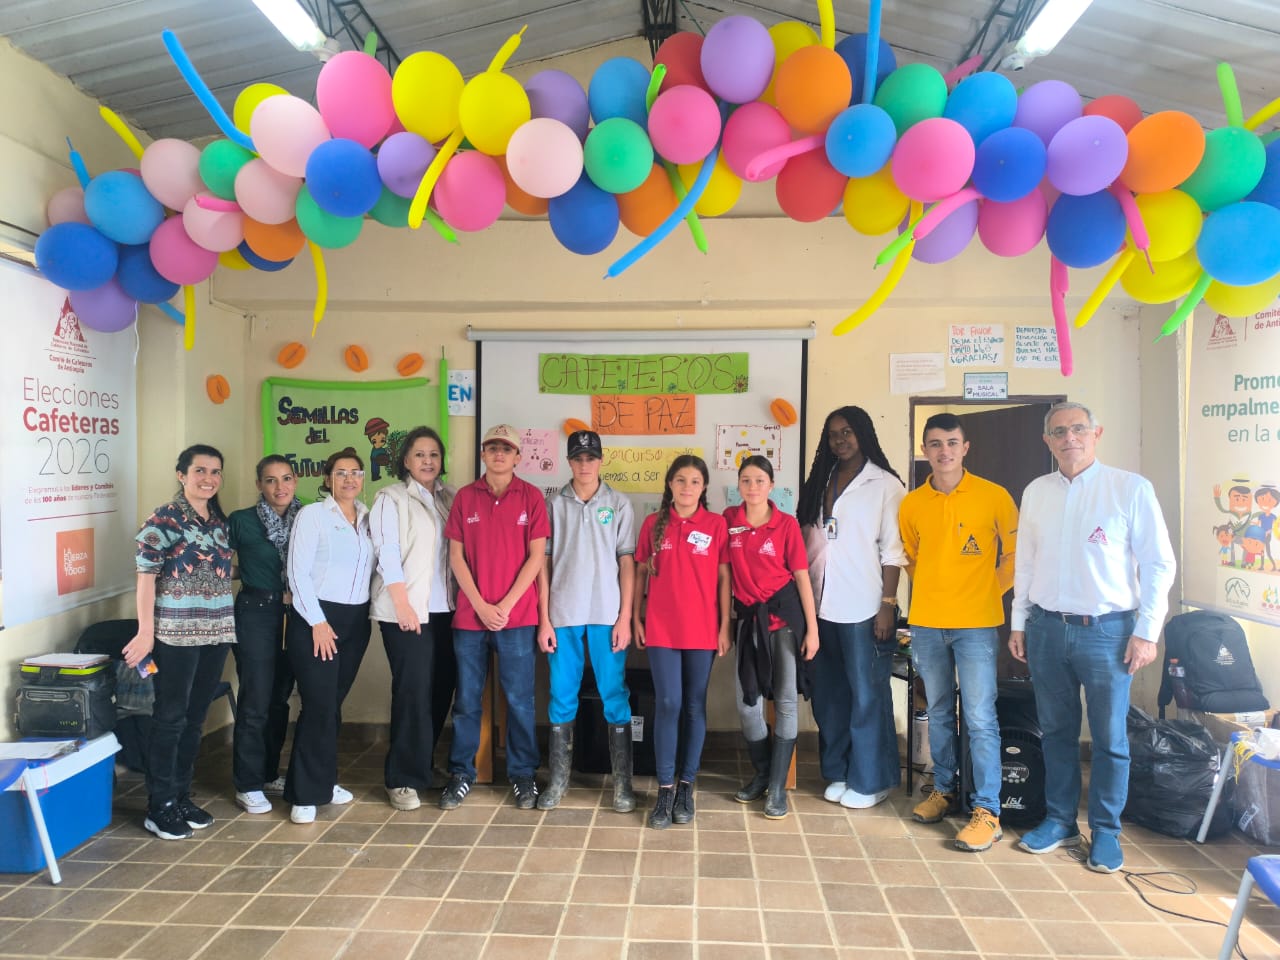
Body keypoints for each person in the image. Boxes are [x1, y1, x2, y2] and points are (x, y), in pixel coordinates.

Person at [1009, 401, 1175, 873]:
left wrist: (1147, 632)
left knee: (1109, 738)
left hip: (1109, 633)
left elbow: (1159, 563)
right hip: (1046, 629)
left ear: (1096, 434)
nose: (1070, 438)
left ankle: (1105, 831)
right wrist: (1019, 621)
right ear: (1047, 440)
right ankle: (1060, 820)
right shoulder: (1037, 491)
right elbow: (1026, 561)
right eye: (1059, 431)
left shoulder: (1129, 488)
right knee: (1056, 733)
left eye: (1078, 429)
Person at [898, 413, 1019, 852]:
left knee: (981, 716)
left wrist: (985, 590)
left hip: (977, 625)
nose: (944, 451)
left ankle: (988, 810)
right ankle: (944, 790)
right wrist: (937, 591)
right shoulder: (912, 504)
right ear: (924, 450)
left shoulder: (994, 496)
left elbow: (1016, 555)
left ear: (965, 448)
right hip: (927, 623)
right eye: (935, 443)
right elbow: (911, 557)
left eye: (952, 442)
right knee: (938, 711)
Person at [797, 406, 907, 809]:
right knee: (830, 697)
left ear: (863, 433)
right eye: (833, 434)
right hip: (820, 606)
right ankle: (841, 772)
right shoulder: (820, 480)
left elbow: (893, 552)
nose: (840, 440)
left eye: (847, 432)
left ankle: (872, 780)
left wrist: (887, 605)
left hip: (864, 607)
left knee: (867, 696)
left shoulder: (886, 484)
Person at [124, 444, 236, 840]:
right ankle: (160, 806)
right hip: (175, 635)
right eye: (200, 470)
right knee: (170, 718)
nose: (208, 478)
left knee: (195, 717)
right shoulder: (165, 518)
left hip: (216, 632)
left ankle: (182, 796)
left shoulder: (219, 522)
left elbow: (220, 570)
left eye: (215, 471)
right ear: (181, 475)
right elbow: (145, 579)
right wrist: (145, 632)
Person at [441, 424, 549, 811]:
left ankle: (523, 774)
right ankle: (461, 773)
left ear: (518, 457)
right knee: (468, 700)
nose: (499, 454)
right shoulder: (465, 497)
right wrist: (482, 606)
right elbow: (456, 557)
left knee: (520, 700)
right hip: (471, 617)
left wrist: (505, 605)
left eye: (506, 448)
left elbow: (536, 557)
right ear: (483, 454)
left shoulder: (532, 497)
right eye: (492, 447)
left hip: (517, 618)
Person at [536, 430, 638, 812]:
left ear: (601, 460)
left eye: (590, 457)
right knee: (561, 695)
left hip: (607, 614)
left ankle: (623, 785)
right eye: (578, 458)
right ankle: (558, 780)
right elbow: (543, 563)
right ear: (569, 461)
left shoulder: (619, 503)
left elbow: (627, 562)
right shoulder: (553, 504)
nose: (584, 464)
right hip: (563, 613)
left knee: (614, 693)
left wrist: (625, 617)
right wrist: (544, 619)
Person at [633, 454, 730, 829]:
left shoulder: (716, 524)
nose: (687, 487)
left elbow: (724, 579)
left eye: (694, 481)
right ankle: (665, 788)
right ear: (669, 485)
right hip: (662, 629)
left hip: (702, 630)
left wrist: (724, 626)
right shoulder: (652, 524)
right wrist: (636, 617)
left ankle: (687, 786)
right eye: (680, 480)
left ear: (704, 487)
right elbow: (640, 573)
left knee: (693, 705)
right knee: (668, 703)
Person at [724, 456, 819, 820]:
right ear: (739, 484)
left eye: (760, 480)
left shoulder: (786, 524)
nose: (753, 487)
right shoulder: (728, 520)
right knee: (747, 703)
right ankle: (762, 773)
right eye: (746, 480)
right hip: (749, 621)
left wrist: (812, 630)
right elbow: (722, 576)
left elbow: (801, 577)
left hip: (785, 622)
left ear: (771, 485)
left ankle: (777, 788)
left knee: (786, 702)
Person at [284, 447, 375, 825]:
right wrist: (318, 623)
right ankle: (305, 794)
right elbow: (297, 573)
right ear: (327, 479)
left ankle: (324, 780)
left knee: (331, 704)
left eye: (355, 473)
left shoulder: (369, 518)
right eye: (341, 473)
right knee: (319, 705)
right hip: (317, 619)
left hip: (356, 620)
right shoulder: (313, 516)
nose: (349, 479)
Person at [369, 426, 457, 811]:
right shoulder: (391, 498)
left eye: (433, 454)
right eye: (419, 454)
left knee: (440, 688)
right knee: (413, 690)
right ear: (405, 460)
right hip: (406, 611)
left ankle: (422, 765)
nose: (427, 461)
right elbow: (387, 553)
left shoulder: (448, 498)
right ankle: (402, 778)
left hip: (445, 610)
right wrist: (402, 605)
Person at [227, 455, 302, 815]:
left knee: (279, 699)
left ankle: (269, 772)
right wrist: (248, 572)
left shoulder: (308, 517)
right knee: (255, 698)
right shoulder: (242, 520)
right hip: (255, 612)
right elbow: (219, 562)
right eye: (270, 480)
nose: (279, 487)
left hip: (296, 615)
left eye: (286, 478)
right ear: (259, 485)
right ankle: (248, 782)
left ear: (295, 481)